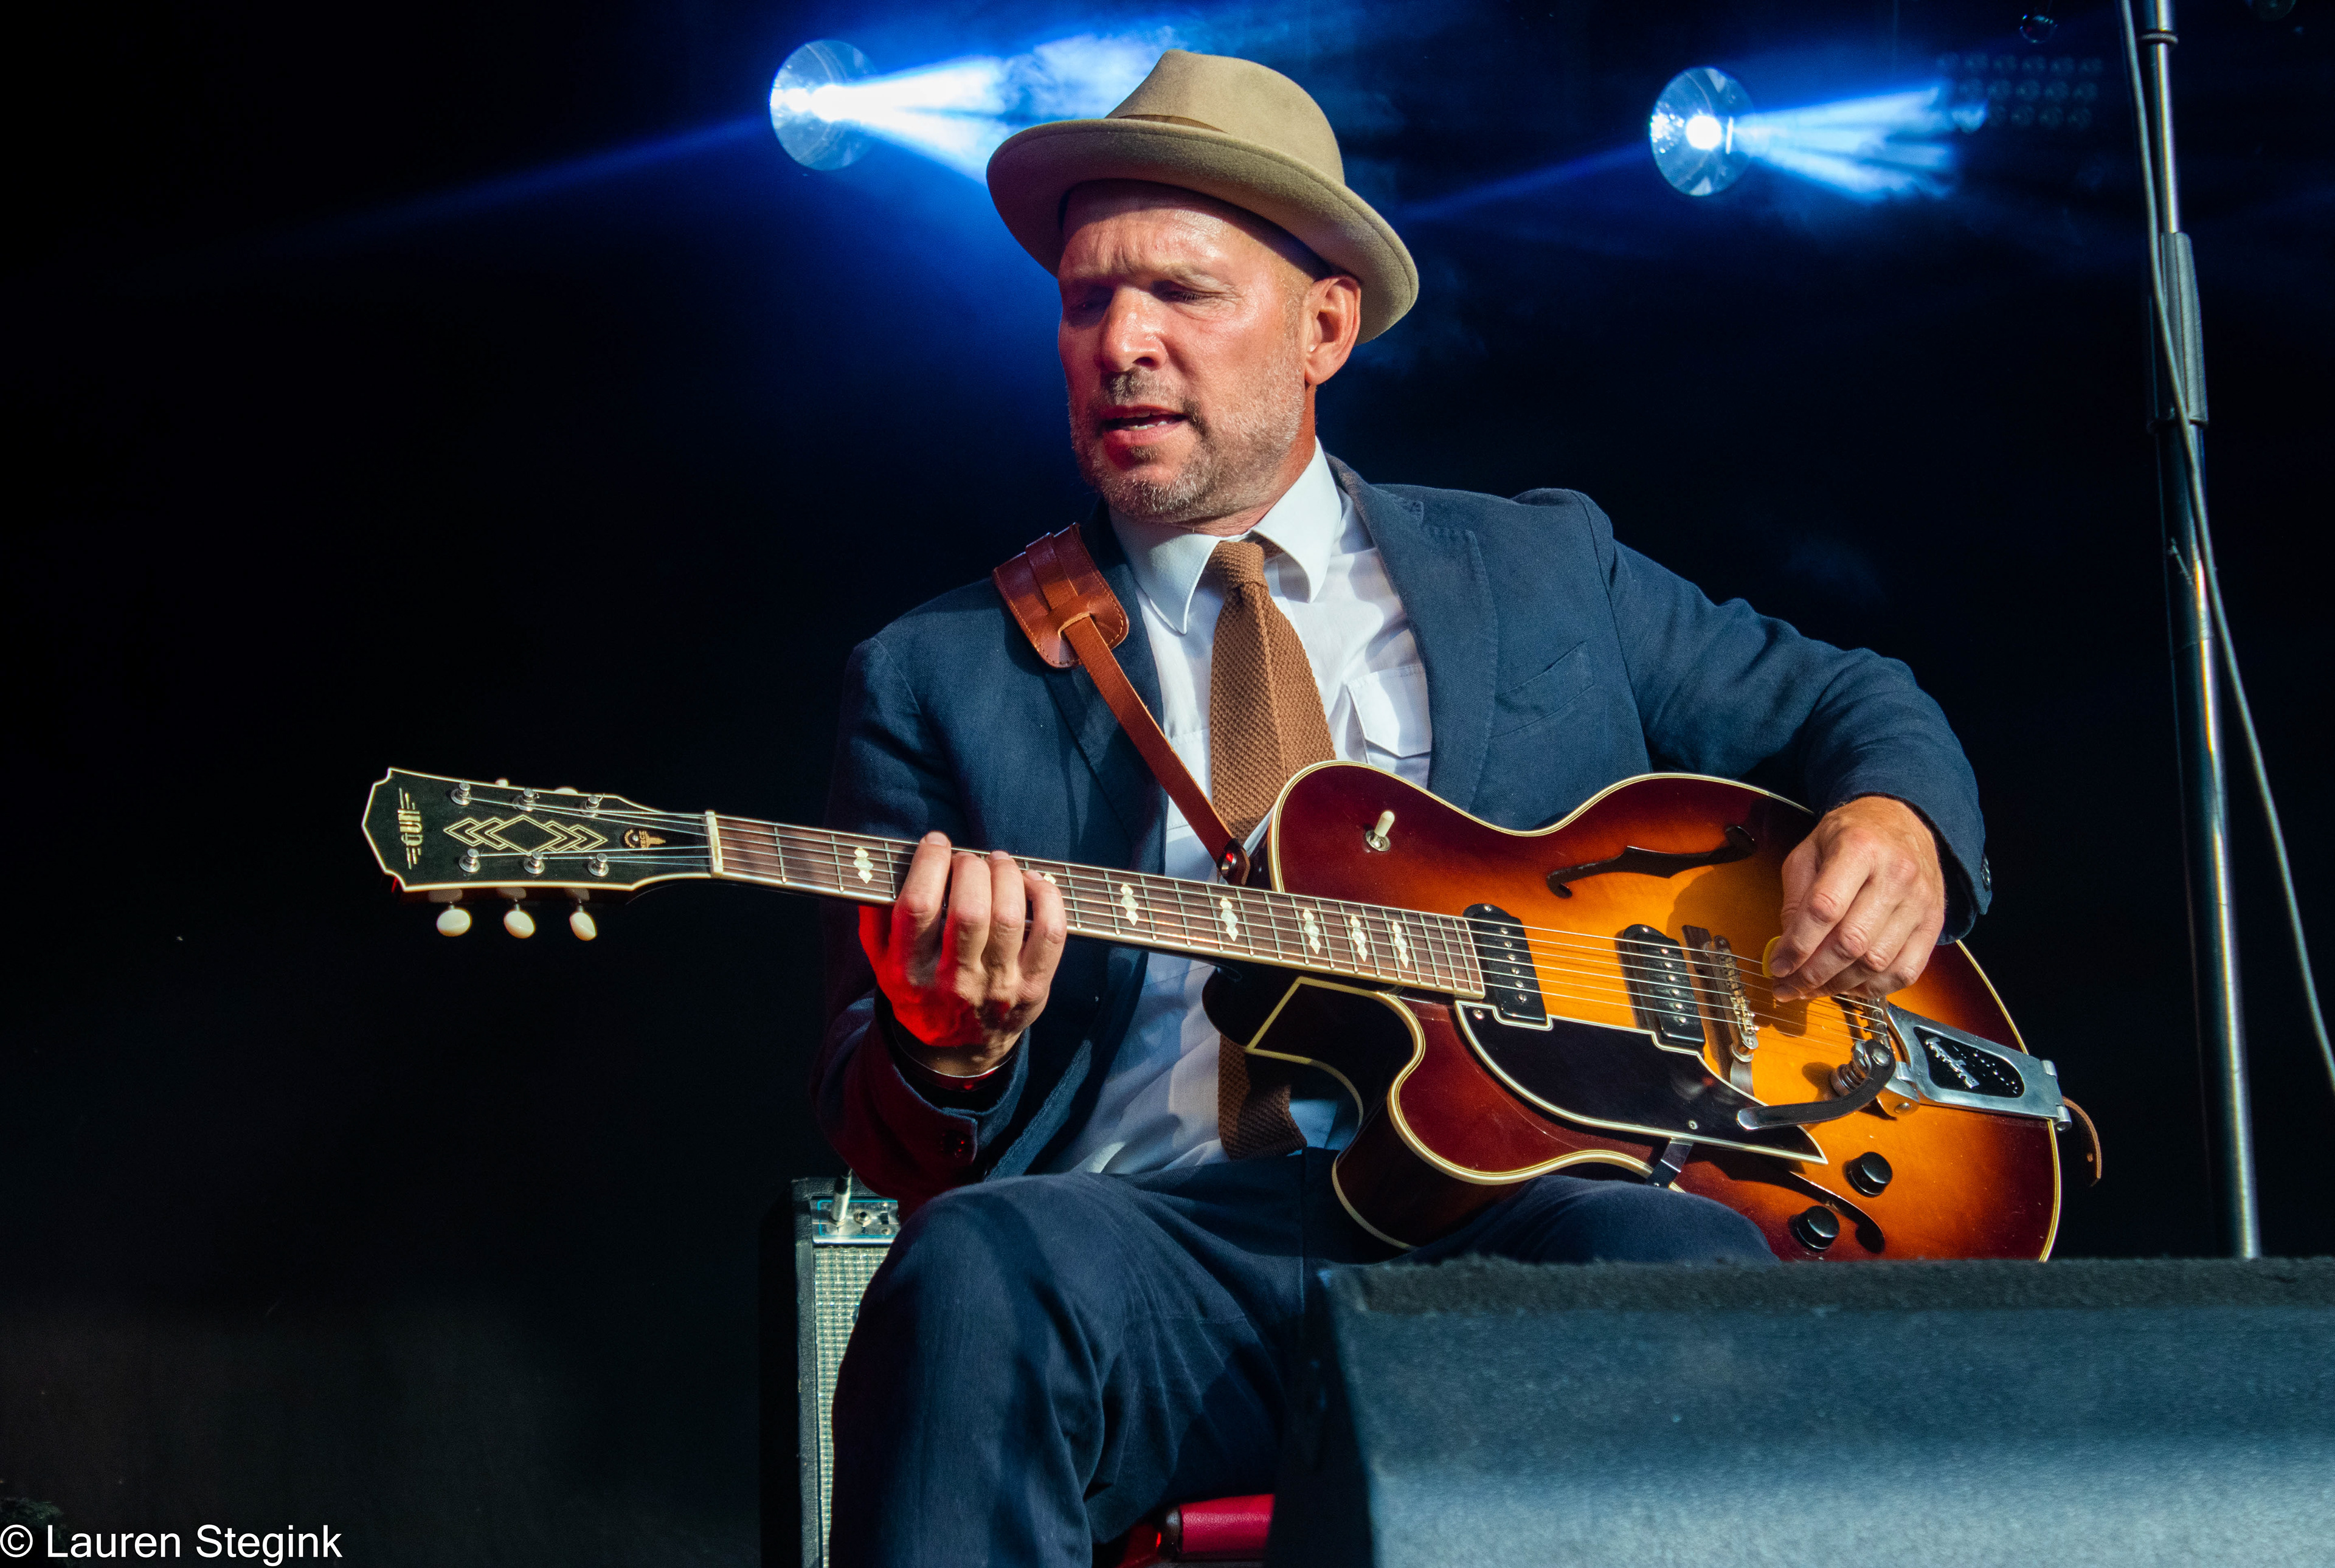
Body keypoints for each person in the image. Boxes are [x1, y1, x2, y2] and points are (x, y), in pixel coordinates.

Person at [814, 50, 1986, 1567]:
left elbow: (1848, 701)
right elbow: (882, 1125)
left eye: (1181, 293)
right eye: (1087, 300)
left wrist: (1896, 821)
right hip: (1157, 1245)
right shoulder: (939, 674)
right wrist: (947, 1047)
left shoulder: (1541, 567)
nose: (1121, 343)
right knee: (971, 1269)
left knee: (1675, 1258)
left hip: (1527, 1213)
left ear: (1326, 326)